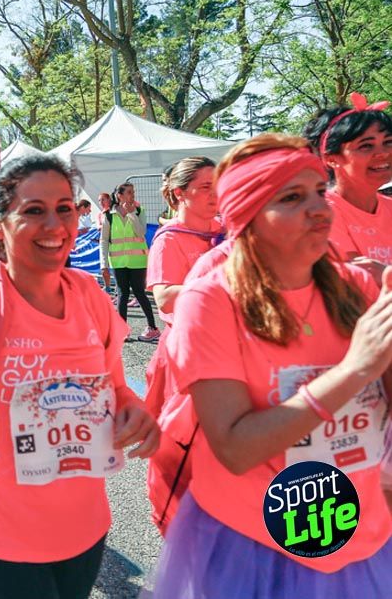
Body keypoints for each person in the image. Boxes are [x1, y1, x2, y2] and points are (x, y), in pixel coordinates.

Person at [0, 154, 159, 598]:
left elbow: (117, 389)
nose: (55, 224)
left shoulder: (91, 298)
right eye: (33, 211)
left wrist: (138, 414)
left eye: (65, 208)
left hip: (84, 529)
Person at [150, 133, 392, 596]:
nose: (320, 209)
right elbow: (236, 448)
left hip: (359, 533)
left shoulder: (358, 285)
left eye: (320, 192)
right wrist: (354, 370)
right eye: (292, 198)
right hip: (255, 543)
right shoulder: (211, 299)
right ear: (249, 218)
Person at [141, 156, 220, 532]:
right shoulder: (169, 238)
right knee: (185, 445)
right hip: (188, 355)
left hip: (231, 349)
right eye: (205, 187)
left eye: (217, 184)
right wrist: (218, 283)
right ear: (179, 194)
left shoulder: (229, 231)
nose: (215, 193)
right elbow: (164, 299)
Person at [304, 96, 392, 269]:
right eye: (366, 146)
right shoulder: (322, 212)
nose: (383, 153)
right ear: (331, 159)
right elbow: (357, 278)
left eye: (388, 142)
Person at [100, 183, 159, 342]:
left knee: (139, 293)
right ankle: (123, 330)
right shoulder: (109, 215)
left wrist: (132, 214)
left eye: (133, 192)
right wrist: (103, 263)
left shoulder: (140, 211)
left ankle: (153, 328)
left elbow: (141, 233)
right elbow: (104, 240)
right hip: (118, 262)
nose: (133, 195)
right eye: (129, 193)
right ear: (119, 196)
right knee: (122, 294)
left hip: (138, 260)